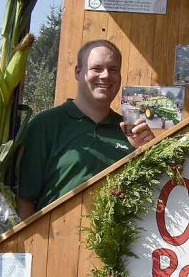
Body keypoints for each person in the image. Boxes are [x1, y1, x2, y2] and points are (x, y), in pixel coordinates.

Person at [16, 40, 155, 218]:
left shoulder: (131, 131)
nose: (105, 75)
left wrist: (148, 152)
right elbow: (25, 200)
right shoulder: (45, 124)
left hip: (118, 242)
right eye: (97, 68)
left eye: (113, 69)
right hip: (57, 240)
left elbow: (149, 197)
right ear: (78, 72)